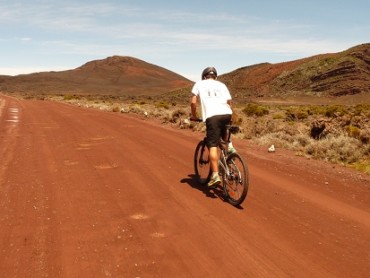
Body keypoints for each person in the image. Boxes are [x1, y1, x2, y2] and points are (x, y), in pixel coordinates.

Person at [190, 66, 236, 187]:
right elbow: (229, 102)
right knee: (224, 139)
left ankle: (215, 175)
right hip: (227, 114)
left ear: (204, 76)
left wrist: (194, 116)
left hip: (212, 116)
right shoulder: (222, 85)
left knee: (213, 146)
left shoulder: (199, 84)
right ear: (215, 76)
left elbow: (193, 102)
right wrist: (231, 116)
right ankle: (230, 148)